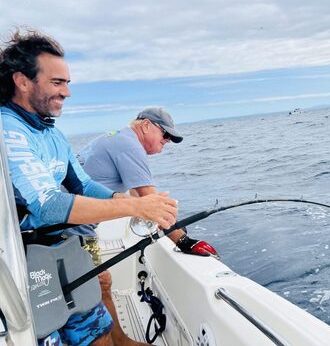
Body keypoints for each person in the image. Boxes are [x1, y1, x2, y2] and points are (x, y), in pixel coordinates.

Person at [0, 29, 177, 346]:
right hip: (23, 264)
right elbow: (49, 204)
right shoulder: (8, 130)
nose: (66, 92)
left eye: (67, 83)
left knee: (97, 332)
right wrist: (135, 206)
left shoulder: (52, 133)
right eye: (57, 82)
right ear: (22, 80)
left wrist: (118, 198)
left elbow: (81, 184)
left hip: (63, 248)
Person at [72, 107, 219, 344]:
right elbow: (152, 205)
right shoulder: (129, 145)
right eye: (165, 135)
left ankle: (118, 339)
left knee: (101, 282)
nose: (167, 142)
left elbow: (140, 202)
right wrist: (183, 241)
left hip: (74, 225)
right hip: (68, 230)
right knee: (100, 282)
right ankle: (118, 341)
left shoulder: (117, 138)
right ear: (146, 125)